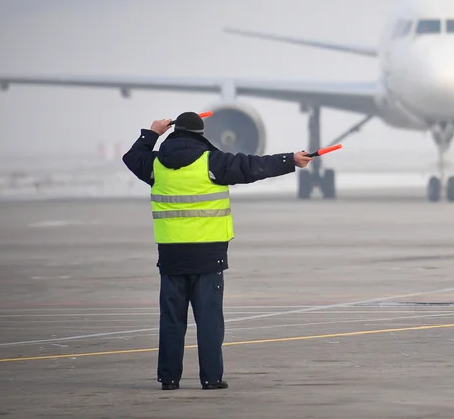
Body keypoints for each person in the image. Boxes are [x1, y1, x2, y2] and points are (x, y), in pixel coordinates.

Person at [122, 111, 312, 390]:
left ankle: (169, 379)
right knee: (209, 322)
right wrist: (291, 160)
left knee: (172, 321)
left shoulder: (155, 166)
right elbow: (254, 166)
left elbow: (132, 158)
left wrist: (152, 133)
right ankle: (211, 379)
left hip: (172, 257)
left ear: (175, 132)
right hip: (209, 257)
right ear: (201, 135)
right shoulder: (213, 162)